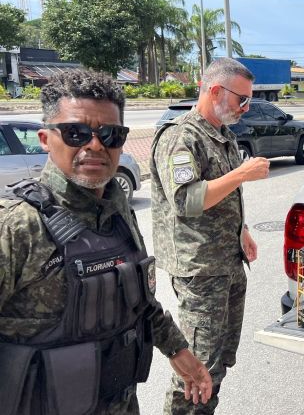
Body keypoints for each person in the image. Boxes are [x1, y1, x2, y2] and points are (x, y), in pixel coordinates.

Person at [0, 69, 212, 415]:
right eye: (75, 133)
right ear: (44, 138)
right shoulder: (18, 226)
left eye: (110, 134)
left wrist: (180, 353)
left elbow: (139, 300)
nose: (95, 145)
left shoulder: (117, 211)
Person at [150, 58, 270, 414]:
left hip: (227, 262)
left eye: (248, 100)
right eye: (241, 99)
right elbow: (186, 199)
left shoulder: (223, 136)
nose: (245, 107)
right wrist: (243, 173)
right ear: (215, 90)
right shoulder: (181, 136)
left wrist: (242, 230)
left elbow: (223, 197)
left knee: (219, 359)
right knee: (197, 363)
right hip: (200, 270)